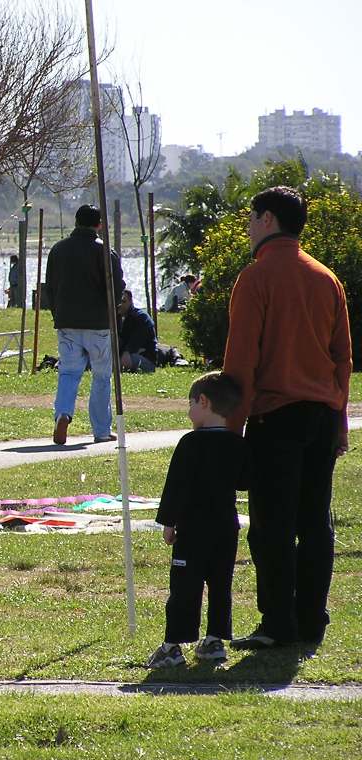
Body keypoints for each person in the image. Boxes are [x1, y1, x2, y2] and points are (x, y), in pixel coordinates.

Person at [223, 185, 352, 651]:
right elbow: (343, 358)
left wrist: (231, 431)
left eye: (253, 216)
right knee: (315, 522)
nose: (249, 225)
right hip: (321, 415)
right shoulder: (326, 278)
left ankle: (278, 622)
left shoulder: (256, 278)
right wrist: (339, 421)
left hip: (275, 417)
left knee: (272, 525)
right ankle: (312, 618)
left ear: (269, 220)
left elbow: (241, 363)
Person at [147, 372, 250, 669]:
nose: (188, 410)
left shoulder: (190, 443)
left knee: (184, 586)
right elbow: (244, 481)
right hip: (226, 527)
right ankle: (215, 640)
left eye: (190, 403)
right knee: (220, 585)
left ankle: (172, 646)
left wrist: (168, 522)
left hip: (192, 529)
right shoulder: (237, 444)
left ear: (203, 402)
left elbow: (175, 486)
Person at [42, 204, 124, 445]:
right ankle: (100, 430)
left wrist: (58, 314)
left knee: (68, 372)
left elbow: (50, 286)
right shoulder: (105, 252)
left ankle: (63, 414)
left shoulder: (58, 250)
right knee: (101, 376)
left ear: (76, 222)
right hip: (98, 323)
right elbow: (116, 287)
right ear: (99, 224)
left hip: (67, 322)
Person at [117, 289, 157, 373]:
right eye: (118, 302)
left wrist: (126, 351)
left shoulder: (141, 317)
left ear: (131, 301)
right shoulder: (117, 319)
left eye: (123, 301)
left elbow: (135, 342)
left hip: (145, 360)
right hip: (126, 355)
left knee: (117, 362)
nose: (120, 305)